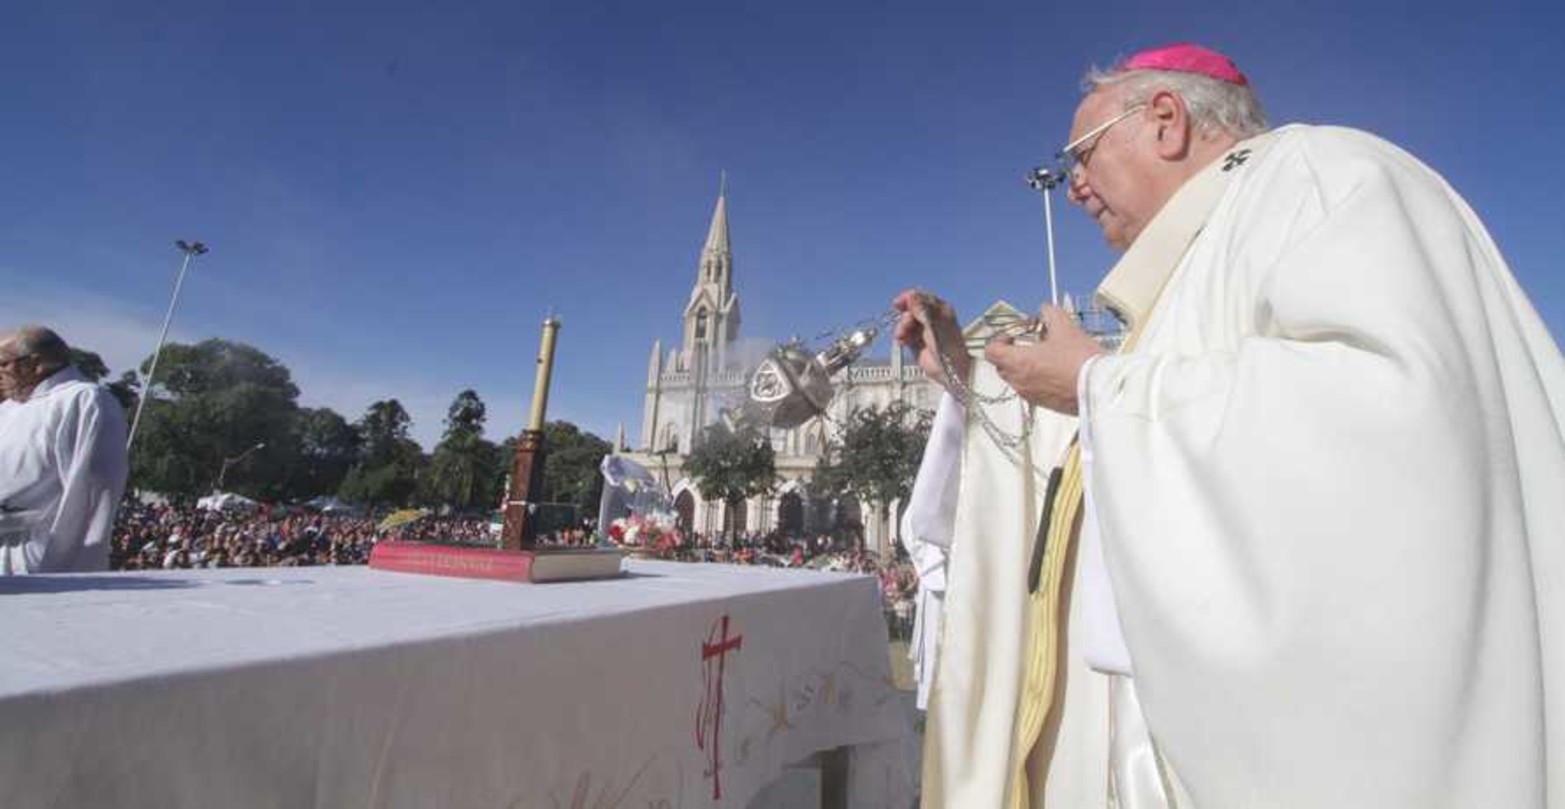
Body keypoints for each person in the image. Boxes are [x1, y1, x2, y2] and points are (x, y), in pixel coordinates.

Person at [894, 43, 1565, 808]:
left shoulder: (1320, 176)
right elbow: (1115, 446)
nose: (1074, 185)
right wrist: (969, 372)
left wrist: (1094, 382)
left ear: (1166, 120)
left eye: (1079, 154)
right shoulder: (1192, 269)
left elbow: (1390, 419)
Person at [0, 325, 130, 574]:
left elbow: (92, 495)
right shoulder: (9, 409)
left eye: (2, 364)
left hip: (34, 557)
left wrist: (71, 573)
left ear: (35, 364)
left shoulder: (84, 400)